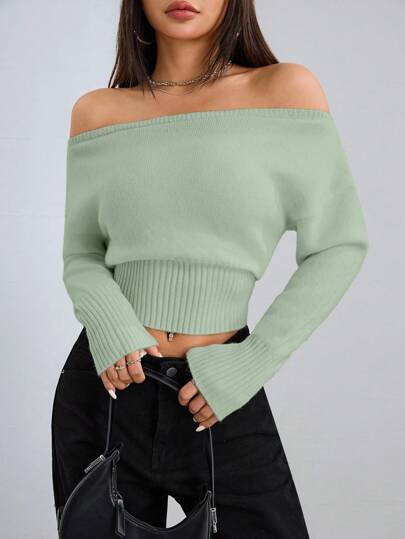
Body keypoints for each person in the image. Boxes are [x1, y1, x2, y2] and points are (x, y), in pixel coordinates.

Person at [51, 1, 369, 537]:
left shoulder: (284, 91)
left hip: (221, 389)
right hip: (108, 388)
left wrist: (255, 359)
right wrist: (111, 325)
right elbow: (81, 253)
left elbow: (339, 245)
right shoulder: (98, 112)